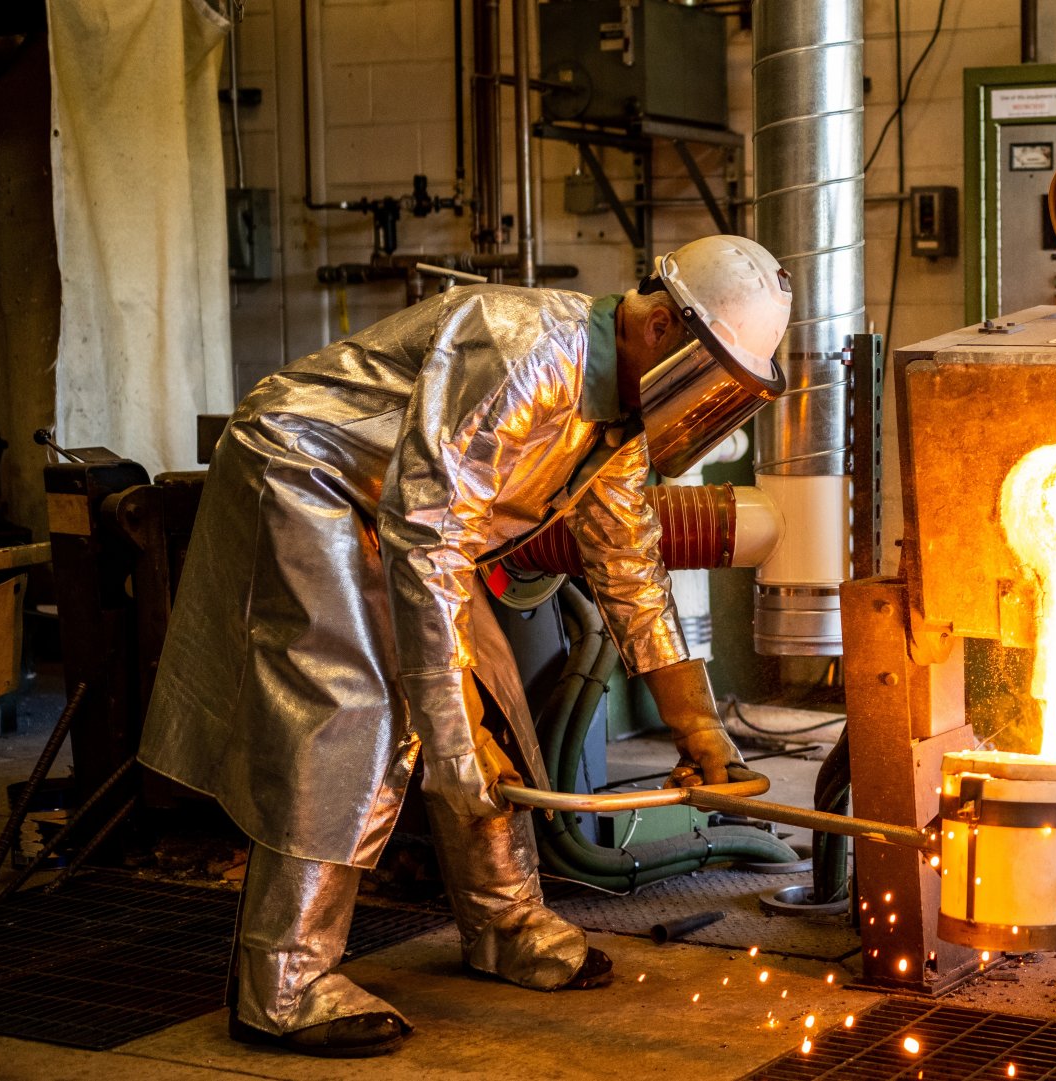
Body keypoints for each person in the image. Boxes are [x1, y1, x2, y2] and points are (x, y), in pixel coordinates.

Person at [140, 235, 792, 1057]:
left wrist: (698, 726)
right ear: (662, 326)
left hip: (405, 511)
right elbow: (431, 532)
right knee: (360, 706)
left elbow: (629, 565)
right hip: (309, 471)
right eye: (709, 376)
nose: (703, 405)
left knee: (490, 694)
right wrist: (452, 737)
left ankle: (504, 921)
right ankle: (284, 978)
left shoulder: (616, 417)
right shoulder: (527, 351)